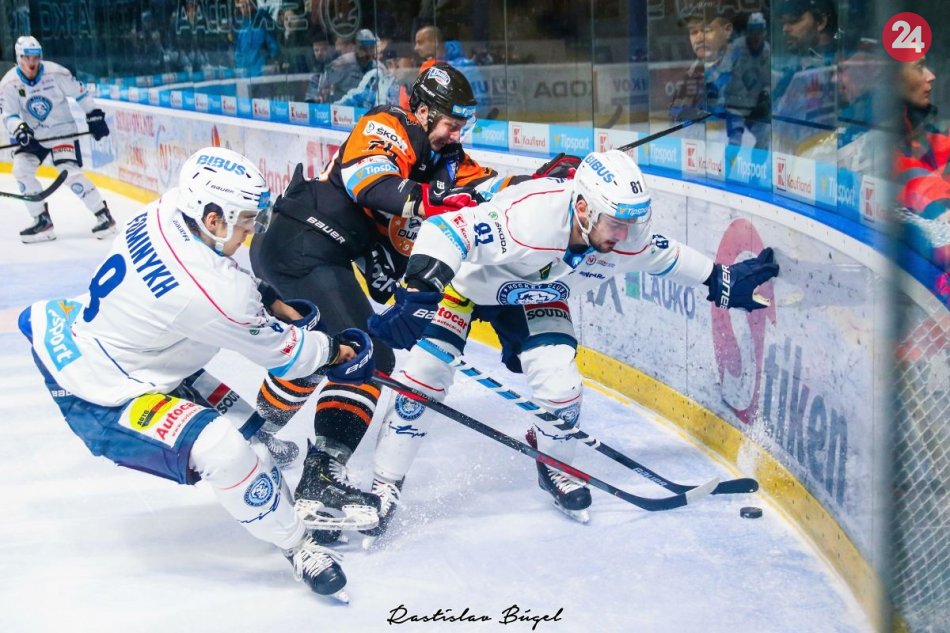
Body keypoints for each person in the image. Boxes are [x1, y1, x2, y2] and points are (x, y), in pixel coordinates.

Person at [16, 147, 376, 602]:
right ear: (212, 217)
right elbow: (288, 356)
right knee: (226, 450)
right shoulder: (213, 293)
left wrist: (268, 300)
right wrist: (338, 351)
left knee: (254, 436)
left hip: (117, 346)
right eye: (246, 221)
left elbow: (220, 277)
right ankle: (298, 546)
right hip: (103, 392)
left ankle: (267, 474)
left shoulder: (166, 210)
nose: (251, 231)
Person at [367, 149, 779, 531]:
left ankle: (555, 463)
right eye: (616, 223)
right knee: (423, 380)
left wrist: (720, 279)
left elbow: (667, 256)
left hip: (535, 295)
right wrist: (421, 289)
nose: (625, 234)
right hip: (466, 286)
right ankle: (385, 482)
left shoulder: (624, 235)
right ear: (582, 208)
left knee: (561, 387)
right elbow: (445, 228)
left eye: (632, 224)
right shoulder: (529, 217)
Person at [250, 64, 571, 543]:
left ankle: (255, 429)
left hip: (320, 256)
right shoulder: (387, 124)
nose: (456, 134)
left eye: (462, 126)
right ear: (421, 111)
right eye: (450, 124)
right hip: (301, 241)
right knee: (368, 356)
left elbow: (492, 192)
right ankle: (320, 477)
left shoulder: (450, 161)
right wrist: (436, 198)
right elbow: (371, 185)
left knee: (325, 354)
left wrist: (542, 183)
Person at [1, 36, 115, 244]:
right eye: (27, 57)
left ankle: (103, 215)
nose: (32, 62)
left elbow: (81, 94)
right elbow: (9, 114)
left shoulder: (56, 73)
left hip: (63, 132)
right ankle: (42, 220)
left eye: (36, 57)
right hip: (34, 136)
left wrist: (94, 115)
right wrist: (19, 129)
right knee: (21, 170)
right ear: (19, 58)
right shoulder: (9, 83)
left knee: (69, 173)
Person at [669, 4, 734, 126]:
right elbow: (676, 116)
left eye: (706, 30)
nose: (699, 39)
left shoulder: (741, 67)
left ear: (727, 31)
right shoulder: (691, 74)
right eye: (693, 32)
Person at [723, 12, 771, 149]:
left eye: (759, 31)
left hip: (755, 107)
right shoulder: (736, 47)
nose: (756, 36)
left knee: (764, 137)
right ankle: (728, 164)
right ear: (748, 32)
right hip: (734, 106)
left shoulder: (766, 50)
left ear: (764, 32)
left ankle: (757, 163)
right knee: (735, 142)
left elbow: (767, 80)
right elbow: (724, 71)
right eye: (753, 31)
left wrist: (765, 94)